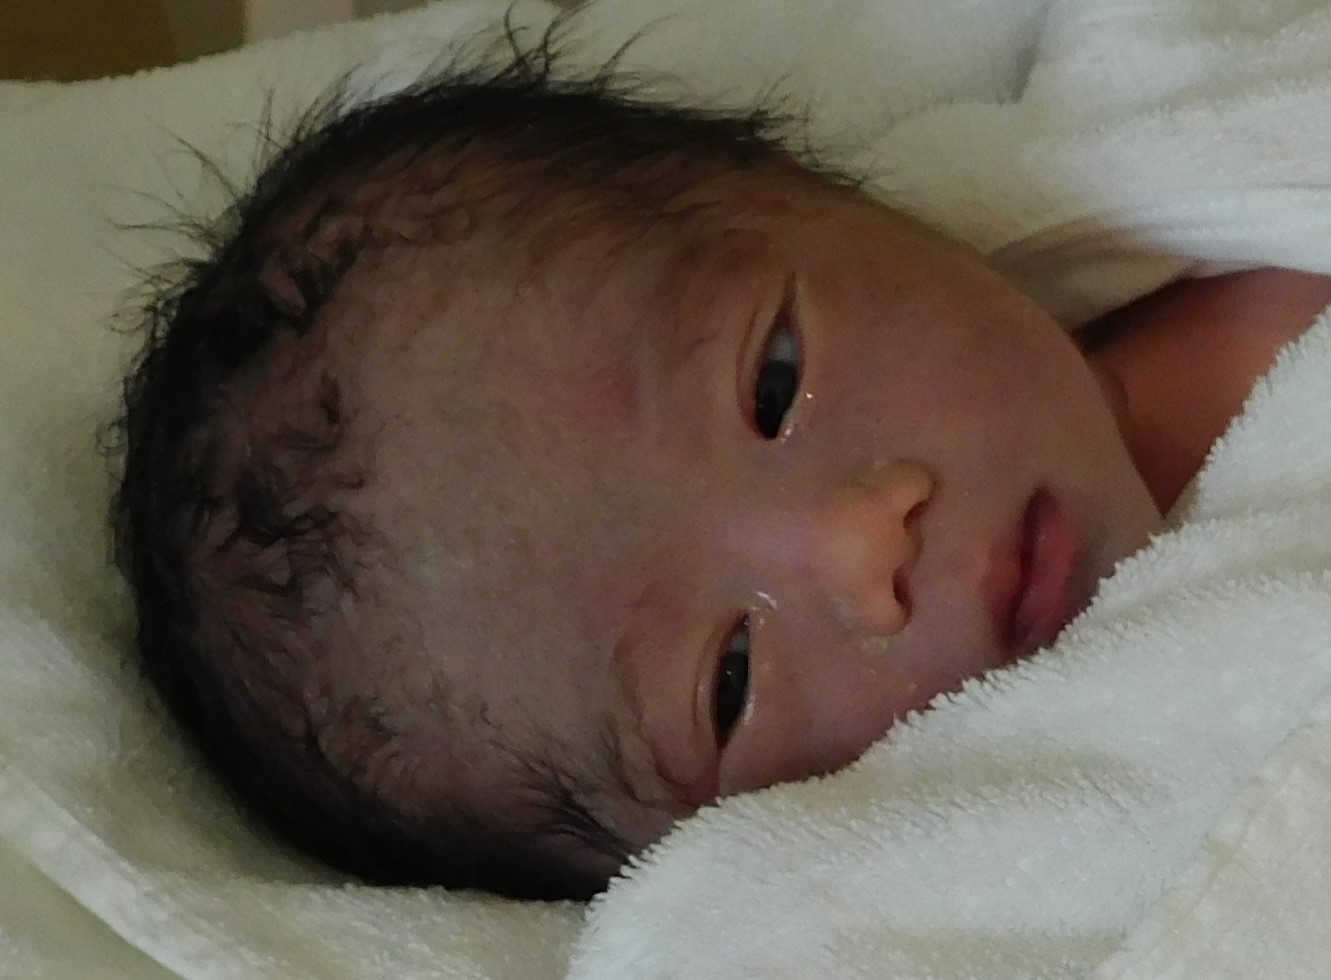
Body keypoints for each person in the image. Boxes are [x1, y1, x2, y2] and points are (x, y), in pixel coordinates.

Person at [111, 37, 1331, 900]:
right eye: (728, 679)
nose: (861, 547)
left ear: (820, 190)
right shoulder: (1157, 827)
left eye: (772, 383)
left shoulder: (1189, 95)